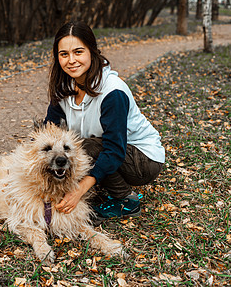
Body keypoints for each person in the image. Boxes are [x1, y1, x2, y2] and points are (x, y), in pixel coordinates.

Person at [44, 21, 165, 225]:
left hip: (144, 159)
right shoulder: (64, 87)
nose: (71, 60)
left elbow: (114, 150)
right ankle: (104, 183)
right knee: (77, 146)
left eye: (78, 52)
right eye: (64, 54)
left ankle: (125, 200)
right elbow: (48, 130)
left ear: (92, 51)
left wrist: (78, 190)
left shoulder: (112, 92)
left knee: (85, 147)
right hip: (109, 150)